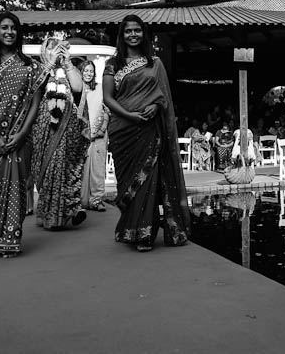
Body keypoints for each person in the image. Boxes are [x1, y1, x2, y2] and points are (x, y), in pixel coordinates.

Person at [102, 14, 191, 252]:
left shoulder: (155, 63)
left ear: (144, 34)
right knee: (128, 183)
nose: (133, 35)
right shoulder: (113, 64)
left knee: (148, 182)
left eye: (137, 30)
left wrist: (156, 105)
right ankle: (128, 228)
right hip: (123, 131)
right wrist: (130, 116)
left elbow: (163, 97)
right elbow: (108, 98)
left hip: (150, 129)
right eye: (128, 31)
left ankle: (145, 234)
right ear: (122, 35)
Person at [0, 12, 43, 258]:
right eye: (4, 27)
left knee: (16, 187)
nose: (9, 32)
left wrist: (22, 133)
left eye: (13, 28)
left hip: (19, 137)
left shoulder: (30, 65)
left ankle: (9, 240)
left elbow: (35, 103)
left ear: (18, 32)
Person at [31, 38, 90, 230]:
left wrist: (67, 63)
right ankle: (49, 212)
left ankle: (68, 209)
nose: (56, 51)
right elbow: (34, 88)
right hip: (44, 126)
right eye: (52, 48)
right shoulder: (38, 69)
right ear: (44, 52)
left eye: (59, 48)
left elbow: (78, 88)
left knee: (65, 165)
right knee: (46, 168)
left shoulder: (67, 69)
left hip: (67, 126)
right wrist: (49, 63)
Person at [80, 59, 109, 212]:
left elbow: (106, 110)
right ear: (80, 71)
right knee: (80, 167)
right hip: (80, 135)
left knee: (98, 167)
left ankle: (97, 199)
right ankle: (81, 201)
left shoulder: (99, 88)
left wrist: (101, 129)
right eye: (85, 70)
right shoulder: (76, 89)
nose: (88, 73)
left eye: (91, 71)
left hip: (99, 133)